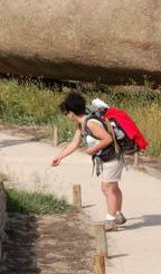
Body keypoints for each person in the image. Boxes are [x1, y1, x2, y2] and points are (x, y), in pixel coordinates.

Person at [51, 91, 126, 231]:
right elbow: (74, 143)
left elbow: (107, 139)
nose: (66, 116)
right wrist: (59, 157)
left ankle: (110, 220)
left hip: (112, 158)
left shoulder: (90, 123)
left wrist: (93, 149)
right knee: (113, 187)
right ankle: (118, 214)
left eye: (65, 113)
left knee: (107, 188)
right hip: (108, 158)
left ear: (71, 113)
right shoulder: (82, 124)